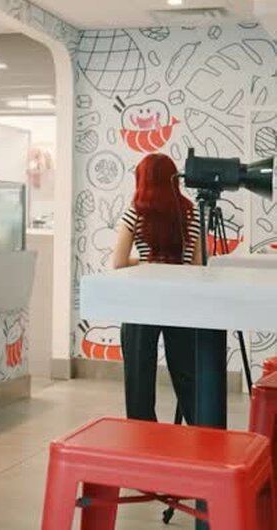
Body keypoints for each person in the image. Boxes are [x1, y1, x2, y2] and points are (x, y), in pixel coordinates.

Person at [112, 152, 201, 424]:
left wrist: (148, 262)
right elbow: (198, 266)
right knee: (187, 374)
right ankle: (201, 431)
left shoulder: (135, 213)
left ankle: (144, 434)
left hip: (143, 300)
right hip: (181, 301)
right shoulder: (190, 213)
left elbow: (118, 262)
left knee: (139, 375)